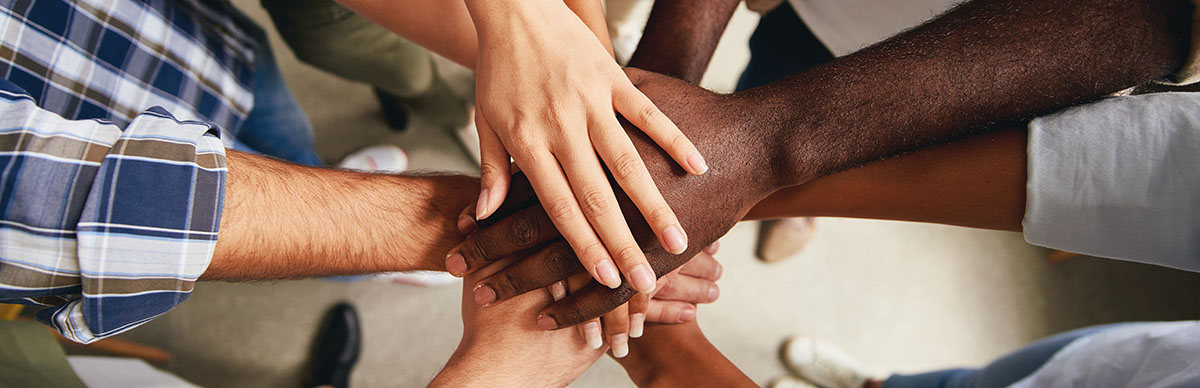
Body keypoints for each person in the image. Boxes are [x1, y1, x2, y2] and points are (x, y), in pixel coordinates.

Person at [448, 0, 1198, 337]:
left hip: (1014, 76)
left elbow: (1167, 15)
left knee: (794, 141)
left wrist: (764, 151)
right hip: (827, 14)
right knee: (766, 87)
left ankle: (788, 191)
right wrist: (665, 103)